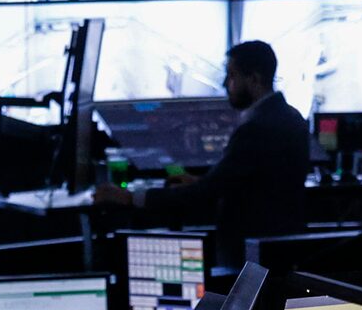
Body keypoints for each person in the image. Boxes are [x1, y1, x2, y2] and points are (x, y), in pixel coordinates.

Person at [94, 40, 310, 266]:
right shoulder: (292, 117)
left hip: (250, 258)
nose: (227, 84)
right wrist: (200, 180)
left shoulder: (257, 127)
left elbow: (208, 193)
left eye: (232, 75)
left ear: (254, 79)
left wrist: (131, 197)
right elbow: (253, 184)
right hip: (279, 250)